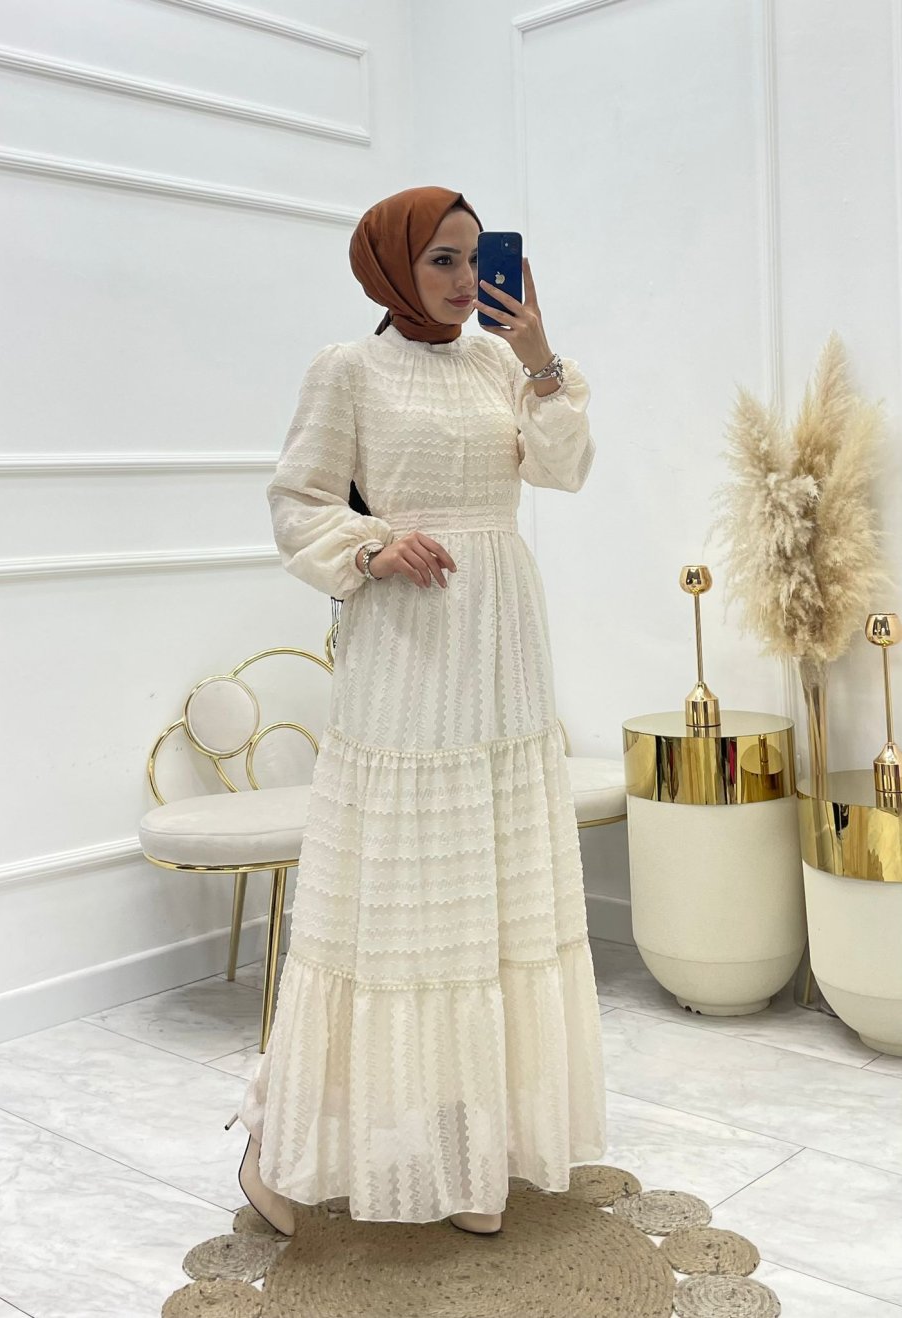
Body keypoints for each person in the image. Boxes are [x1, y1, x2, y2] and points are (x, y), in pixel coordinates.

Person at [235, 185, 606, 1237]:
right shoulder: (346, 370)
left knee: (490, 895)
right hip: (407, 641)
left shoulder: (498, 364)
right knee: (395, 896)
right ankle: (278, 1144)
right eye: (441, 259)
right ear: (392, 266)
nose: (462, 279)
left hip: (501, 645)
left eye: (474, 259)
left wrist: (537, 353)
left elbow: (565, 470)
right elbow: (297, 502)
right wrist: (372, 545)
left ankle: (468, 1152)